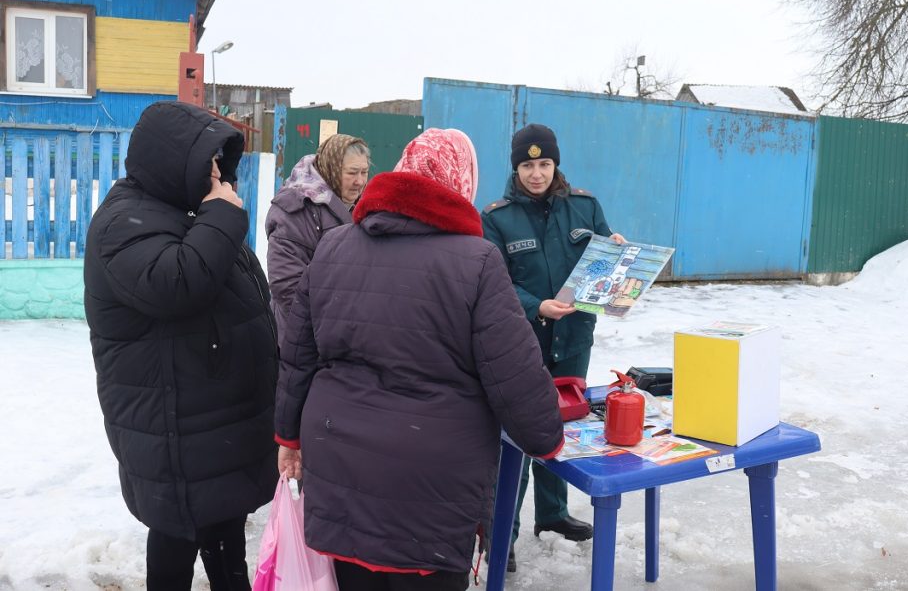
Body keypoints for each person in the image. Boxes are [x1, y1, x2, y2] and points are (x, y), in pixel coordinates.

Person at [274, 127, 565, 591]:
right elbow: (514, 371)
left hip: (341, 464)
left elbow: (298, 355)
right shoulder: (476, 261)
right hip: (430, 486)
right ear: (460, 181)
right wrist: (545, 437)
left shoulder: (334, 246)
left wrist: (288, 434)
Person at [83, 101, 278, 591]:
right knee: (177, 538)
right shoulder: (123, 223)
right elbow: (177, 283)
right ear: (171, 160)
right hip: (171, 423)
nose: (216, 173)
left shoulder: (187, 212)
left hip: (209, 421)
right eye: (206, 161)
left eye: (218, 162)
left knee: (222, 530)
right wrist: (221, 216)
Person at [481, 123, 626, 570]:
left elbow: (604, 267)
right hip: (523, 341)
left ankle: (553, 513)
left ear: (555, 164)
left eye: (544, 164)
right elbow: (494, 281)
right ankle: (502, 534)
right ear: (516, 169)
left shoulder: (585, 206)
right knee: (517, 438)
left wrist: (618, 255)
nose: (537, 174)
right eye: (528, 166)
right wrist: (536, 305)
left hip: (574, 339)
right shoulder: (497, 218)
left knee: (563, 426)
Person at [265, 134, 371, 338]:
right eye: (352, 173)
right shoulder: (297, 208)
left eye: (364, 172)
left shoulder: (361, 206)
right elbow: (287, 284)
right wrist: (325, 330)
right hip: (304, 336)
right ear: (332, 169)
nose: (360, 181)